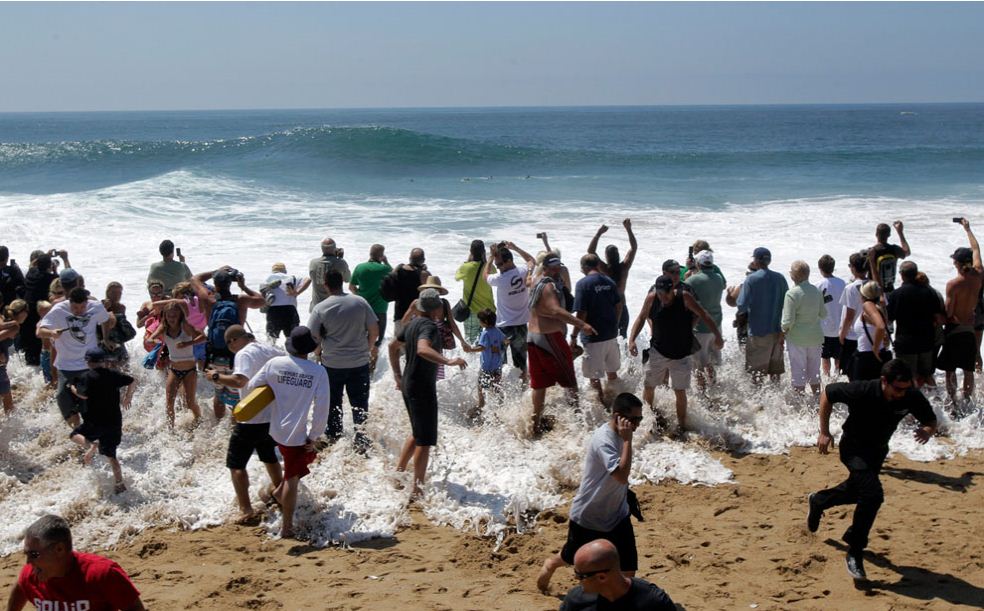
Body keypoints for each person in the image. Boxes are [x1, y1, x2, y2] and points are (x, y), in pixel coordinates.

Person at [809, 359, 937, 581]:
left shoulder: (910, 395)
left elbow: (930, 420)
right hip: (853, 449)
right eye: (897, 389)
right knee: (873, 495)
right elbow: (827, 394)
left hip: (877, 452)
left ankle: (820, 500)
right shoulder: (863, 390)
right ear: (884, 381)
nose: (901, 394)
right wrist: (824, 431)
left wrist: (927, 430)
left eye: (906, 389)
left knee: (856, 492)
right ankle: (855, 551)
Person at [537, 393, 644, 593]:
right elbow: (620, 475)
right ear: (618, 416)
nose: (637, 424)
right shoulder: (605, 440)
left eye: (640, 419)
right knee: (569, 558)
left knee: (628, 570)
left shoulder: (623, 434)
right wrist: (628, 441)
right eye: (634, 419)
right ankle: (550, 564)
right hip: (589, 516)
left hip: (618, 514)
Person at [246, 326, 329, 539]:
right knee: (292, 477)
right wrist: (314, 435)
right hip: (297, 433)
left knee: (295, 470)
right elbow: (322, 407)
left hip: (274, 428)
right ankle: (287, 527)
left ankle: (275, 494)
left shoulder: (274, 364)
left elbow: (252, 387)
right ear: (309, 348)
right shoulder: (318, 371)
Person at [388, 289, 467, 497]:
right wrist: (449, 361)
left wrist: (397, 376)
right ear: (437, 308)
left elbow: (392, 346)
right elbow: (423, 349)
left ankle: (398, 474)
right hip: (421, 387)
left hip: (409, 384)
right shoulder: (429, 327)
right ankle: (417, 489)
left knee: (417, 433)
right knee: (425, 440)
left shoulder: (412, 323)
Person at [205, 325, 284, 523]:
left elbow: (239, 381)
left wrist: (216, 376)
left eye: (230, 342)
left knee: (236, 464)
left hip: (250, 417)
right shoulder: (270, 349)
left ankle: (246, 510)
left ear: (235, 340)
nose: (230, 347)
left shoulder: (244, 354)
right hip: (272, 415)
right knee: (269, 457)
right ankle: (281, 494)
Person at [629, 275, 723, 435]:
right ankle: (648, 420)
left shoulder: (684, 297)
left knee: (680, 391)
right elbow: (641, 317)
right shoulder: (652, 298)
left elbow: (704, 314)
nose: (663, 298)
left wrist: (718, 336)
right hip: (658, 351)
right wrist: (631, 340)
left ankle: (681, 426)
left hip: (681, 354)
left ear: (672, 290)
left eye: (665, 294)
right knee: (649, 386)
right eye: (660, 294)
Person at [8, 514, 145, 611]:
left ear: (59, 549)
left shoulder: (102, 574)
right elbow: (21, 587)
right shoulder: (32, 574)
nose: (28, 562)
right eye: (27, 554)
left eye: (34, 555)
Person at [308, 270, 379, 452]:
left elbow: (313, 337)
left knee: (333, 402)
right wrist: (368, 349)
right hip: (359, 363)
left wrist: (318, 353)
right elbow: (374, 330)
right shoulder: (360, 301)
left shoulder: (321, 308)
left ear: (326, 285)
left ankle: (334, 434)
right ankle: (361, 438)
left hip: (332, 364)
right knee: (360, 403)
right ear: (342, 282)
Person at [528, 255, 597, 434]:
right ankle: (579, 422)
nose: (557, 270)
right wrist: (582, 324)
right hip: (549, 338)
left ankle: (534, 425)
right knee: (569, 381)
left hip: (533, 338)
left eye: (559, 267)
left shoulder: (536, 281)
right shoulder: (549, 286)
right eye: (554, 268)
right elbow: (555, 310)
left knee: (539, 384)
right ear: (546, 268)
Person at [190, 266, 266, 419]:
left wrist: (216, 271)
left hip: (214, 355)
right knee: (237, 395)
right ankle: (234, 426)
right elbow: (262, 301)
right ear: (231, 284)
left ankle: (218, 424)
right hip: (236, 355)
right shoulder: (241, 300)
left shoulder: (208, 300)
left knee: (219, 395)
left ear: (216, 285)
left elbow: (194, 279)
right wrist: (243, 286)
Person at [38, 287, 116, 428]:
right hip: (65, 366)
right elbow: (39, 331)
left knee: (89, 405)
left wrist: (105, 338)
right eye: (75, 307)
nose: (79, 311)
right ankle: (79, 435)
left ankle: (91, 437)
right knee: (63, 400)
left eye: (82, 307)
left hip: (89, 365)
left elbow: (105, 319)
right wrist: (52, 333)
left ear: (87, 302)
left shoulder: (96, 307)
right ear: (69, 303)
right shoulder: (59, 310)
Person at [67, 347, 135, 493]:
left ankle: (91, 445)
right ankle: (119, 484)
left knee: (73, 435)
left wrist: (72, 387)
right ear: (104, 361)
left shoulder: (86, 377)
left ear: (88, 362)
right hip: (114, 421)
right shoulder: (114, 374)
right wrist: (128, 396)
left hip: (95, 421)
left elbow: (83, 395)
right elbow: (132, 380)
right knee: (112, 456)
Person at [938, 218, 984, 402]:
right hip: (974, 319)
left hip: (956, 326)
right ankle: (969, 399)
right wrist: (968, 229)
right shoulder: (979, 275)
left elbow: (949, 313)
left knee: (950, 368)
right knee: (970, 365)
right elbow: (976, 249)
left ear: (957, 264)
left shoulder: (953, 284)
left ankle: (953, 400)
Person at [559, 540, 676, 610]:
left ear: (602, 577)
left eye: (580, 575)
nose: (575, 579)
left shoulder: (654, 602)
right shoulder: (575, 600)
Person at [572, 253, 622, 407]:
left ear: (584, 267)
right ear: (597, 265)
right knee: (612, 372)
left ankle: (602, 407)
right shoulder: (609, 281)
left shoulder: (583, 284)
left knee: (594, 377)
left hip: (593, 337)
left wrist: (573, 335)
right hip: (611, 334)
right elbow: (619, 305)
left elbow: (581, 313)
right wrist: (615, 323)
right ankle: (616, 400)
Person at [484, 241, 536, 386]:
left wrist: (489, 258)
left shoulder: (499, 279)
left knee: (499, 363)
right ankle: (522, 390)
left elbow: (485, 275)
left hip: (503, 328)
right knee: (520, 364)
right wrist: (516, 248)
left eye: (500, 264)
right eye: (496, 266)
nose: (498, 268)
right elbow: (532, 260)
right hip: (520, 326)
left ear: (509, 261)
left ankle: (502, 393)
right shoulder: (524, 271)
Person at [886, 261, 945, 388]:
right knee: (927, 375)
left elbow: (889, 319)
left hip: (906, 343)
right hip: (926, 342)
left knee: (908, 377)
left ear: (901, 275)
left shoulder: (897, 294)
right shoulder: (929, 292)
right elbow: (938, 318)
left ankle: (911, 404)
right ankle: (937, 400)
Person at [147, 302, 204, 428]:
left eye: (175, 316)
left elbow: (203, 337)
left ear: (180, 316)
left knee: (189, 403)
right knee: (169, 404)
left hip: (190, 370)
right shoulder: (164, 327)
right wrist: (153, 340)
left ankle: (199, 419)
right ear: (165, 316)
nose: (172, 319)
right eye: (169, 316)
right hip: (174, 369)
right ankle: (170, 431)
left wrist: (187, 344)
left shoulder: (186, 326)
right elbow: (150, 338)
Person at [737, 247, 789, 383]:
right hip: (777, 331)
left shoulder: (751, 279)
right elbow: (787, 303)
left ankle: (760, 403)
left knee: (757, 375)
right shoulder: (780, 278)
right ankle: (777, 402)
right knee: (775, 374)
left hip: (757, 332)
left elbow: (741, 305)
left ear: (756, 261)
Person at [781, 260, 827, 394]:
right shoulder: (816, 291)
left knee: (798, 373)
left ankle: (799, 407)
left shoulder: (791, 294)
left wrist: (782, 330)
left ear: (792, 276)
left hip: (797, 339)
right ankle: (818, 401)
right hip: (815, 337)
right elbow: (823, 314)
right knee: (814, 373)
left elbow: (787, 321)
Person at [587, 219, 638, 338]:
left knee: (607, 338)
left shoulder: (604, 269)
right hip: (622, 308)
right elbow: (634, 247)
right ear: (618, 255)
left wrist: (598, 233)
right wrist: (629, 229)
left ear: (606, 256)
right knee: (622, 338)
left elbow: (590, 251)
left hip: (607, 309)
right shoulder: (624, 268)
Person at [684, 250, 726, 391]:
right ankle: (713, 387)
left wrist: (688, 273)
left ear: (698, 263)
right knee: (710, 363)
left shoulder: (692, 280)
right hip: (716, 326)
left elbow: (683, 292)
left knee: (698, 366)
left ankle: (702, 394)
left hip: (700, 327)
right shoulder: (719, 279)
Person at [462, 308, 507, 417]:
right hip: (497, 367)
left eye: (480, 320)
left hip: (486, 368)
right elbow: (506, 341)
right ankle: (499, 411)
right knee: (496, 388)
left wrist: (470, 349)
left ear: (485, 322)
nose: (479, 322)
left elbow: (482, 348)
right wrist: (499, 349)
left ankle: (481, 406)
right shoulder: (497, 331)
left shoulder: (485, 333)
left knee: (480, 387)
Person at [349, 243, 393, 353]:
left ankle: (360, 360)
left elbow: (351, 286)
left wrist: (359, 296)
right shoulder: (384, 268)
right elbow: (394, 274)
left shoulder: (360, 267)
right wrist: (386, 262)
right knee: (378, 341)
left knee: (361, 337)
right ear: (381, 256)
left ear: (370, 254)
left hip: (362, 308)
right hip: (380, 310)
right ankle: (372, 366)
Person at [21, 252, 60, 366]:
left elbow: (32, 265)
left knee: (29, 346)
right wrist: (55, 270)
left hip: (27, 313)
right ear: (49, 266)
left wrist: (45, 256)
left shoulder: (31, 273)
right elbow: (57, 284)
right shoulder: (51, 278)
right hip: (40, 314)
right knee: (38, 346)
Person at [454, 240, 496, 344]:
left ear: (471, 252)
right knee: (490, 341)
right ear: (483, 252)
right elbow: (494, 273)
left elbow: (456, 277)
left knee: (471, 343)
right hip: (488, 311)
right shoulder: (490, 267)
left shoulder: (465, 267)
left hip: (471, 311)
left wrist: (468, 261)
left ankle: (473, 361)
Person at [386, 248, 431, 340]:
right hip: (417, 314)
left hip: (399, 313)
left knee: (398, 345)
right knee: (414, 346)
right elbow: (430, 292)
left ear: (410, 258)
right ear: (423, 260)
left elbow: (390, 280)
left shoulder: (398, 269)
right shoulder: (423, 274)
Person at [838, 252, 869, 380]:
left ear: (853, 268)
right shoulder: (873, 285)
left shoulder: (851, 288)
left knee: (851, 373)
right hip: (868, 334)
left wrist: (842, 334)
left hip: (852, 336)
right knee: (866, 372)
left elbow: (849, 316)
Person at [852, 282, 892, 381]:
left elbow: (881, 326)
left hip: (866, 357)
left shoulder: (868, 305)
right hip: (879, 354)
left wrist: (875, 347)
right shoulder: (879, 307)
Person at [301, 237, 351, 312]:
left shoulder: (313, 263)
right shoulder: (341, 263)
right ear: (334, 248)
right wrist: (340, 259)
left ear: (322, 249)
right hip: (334, 308)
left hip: (316, 308)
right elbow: (347, 279)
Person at [816, 255, 846, 378]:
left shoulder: (818, 285)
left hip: (824, 328)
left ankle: (827, 378)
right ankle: (838, 376)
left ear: (820, 268)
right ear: (833, 268)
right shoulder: (842, 283)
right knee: (838, 357)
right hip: (840, 327)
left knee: (825, 356)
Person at [261, 262, 304, 340]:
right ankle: (291, 352)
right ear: (284, 270)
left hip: (273, 311)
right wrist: (297, 292)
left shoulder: (267, 279)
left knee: (271, 339)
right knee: (292, 340)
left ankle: (271, 352)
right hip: (290, 310)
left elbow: (262, 295)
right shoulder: (292, 278)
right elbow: (308, 279)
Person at [0, 299, 29, 414]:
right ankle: (10, 430)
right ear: (22, 312)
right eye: (27, 311)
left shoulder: (2, 318)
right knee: (9, 405)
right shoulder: (14, 327)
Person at [867, 221, 911, 294]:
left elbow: (861, 272)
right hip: (890, 289)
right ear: (889, 235)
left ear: (876, 234)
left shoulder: (871, 252)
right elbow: (907, 252)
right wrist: (900, 232)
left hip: (874, 291)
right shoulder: (894, 249)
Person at [99, 282, 136, 368]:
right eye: (113, 292)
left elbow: (122, 324)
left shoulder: (121, 307)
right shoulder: (100, 304)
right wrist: (104, 308)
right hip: (103, 337)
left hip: (118, 338)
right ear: (107, 293)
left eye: (119, 293)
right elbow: (96, 322)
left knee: (125, 363)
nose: (116, 295)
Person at [0, 245, 26, 313]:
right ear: (7, 258)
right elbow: (22, 287)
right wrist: (17, 269)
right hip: (9, 308)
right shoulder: (13, 270)